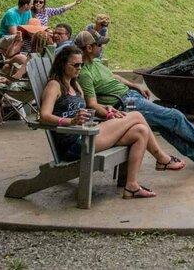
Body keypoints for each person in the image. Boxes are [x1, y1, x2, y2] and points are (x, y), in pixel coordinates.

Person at [41, 46, 183, 199]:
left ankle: (131, 186)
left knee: (140, 131)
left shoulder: (75, 85)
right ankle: (161, 159)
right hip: (75, 142)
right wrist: (70, 121)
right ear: (63, 64)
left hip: (88, 133)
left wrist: (107, 109)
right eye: (75, 65)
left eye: (81, 64)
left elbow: (87, 109)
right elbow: (44, 115)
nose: (79, 68)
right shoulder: (54, 85)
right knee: (135, 115)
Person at [75, 32, 194, 169]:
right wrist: (111, 113)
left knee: (165, 125)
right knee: (174, 115)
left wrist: (135, 86)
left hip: (130, 96)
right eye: (99, 44)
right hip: (124, 103)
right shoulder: (85, 74)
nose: (102, 47)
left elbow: (114, 77)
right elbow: (91, 104)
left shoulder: (96, 63)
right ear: (89, 48)